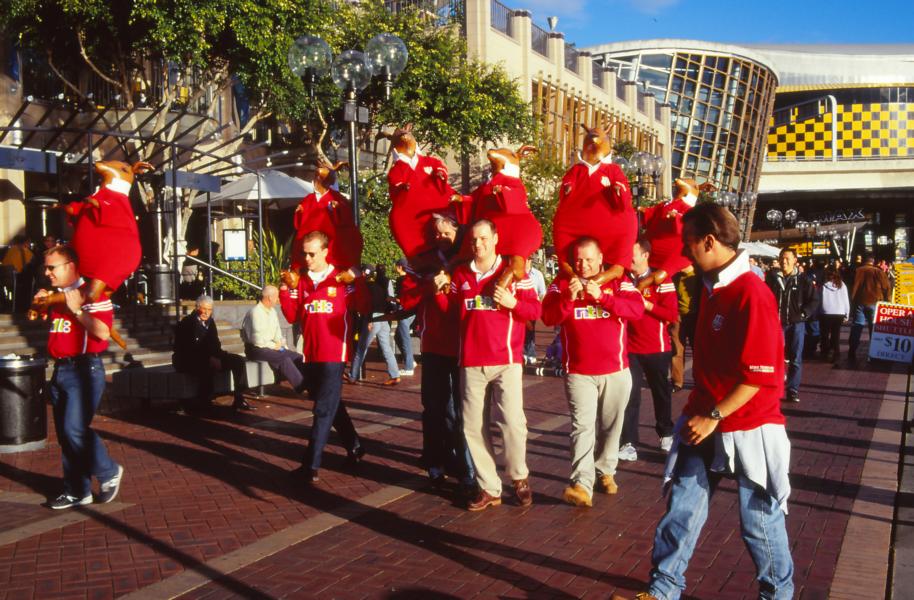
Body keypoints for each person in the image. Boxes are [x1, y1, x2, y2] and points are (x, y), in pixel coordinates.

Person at [631, 202, 793, 600]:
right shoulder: (709, 288)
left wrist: (714, 415)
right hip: (705, 417)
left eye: (688, 244)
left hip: (748, 424)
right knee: (682, 510)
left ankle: (778, 595)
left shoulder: (752, 292)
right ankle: (663, 589)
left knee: (759, 522)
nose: (684, 254)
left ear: (709, 240)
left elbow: (758, 376)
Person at [542, 237, 643, 507]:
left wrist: (604, 298)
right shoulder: (562, 283)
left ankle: (605, 470)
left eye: (589, 259)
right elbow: (548, 316)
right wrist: (568, 297)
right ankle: (581, 483)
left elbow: (636, 310)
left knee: (612, 426)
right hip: (579, 371)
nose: (583, 265)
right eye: (578, 260)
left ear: (601, 259)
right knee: (582, 428)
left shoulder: (619, 282)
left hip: (616, 369)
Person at [447, 219, 541, 511]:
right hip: (471, 361)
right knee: (473, 427)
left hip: (506, 359)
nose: (479, 245)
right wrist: (438, 289)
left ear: (496, 239)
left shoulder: (514, 272)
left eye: (484, 239)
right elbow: (450, 311)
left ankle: (519, 476)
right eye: (474, 240)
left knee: (512, 422)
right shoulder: (461, 274)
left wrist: (513, 303)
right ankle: (489, 486)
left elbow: (536, 310)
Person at [36, 244, 124, 510]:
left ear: (71, 266)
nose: (47, 273)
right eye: (46, 268)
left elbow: (102, 332)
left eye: (52, 268)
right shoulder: (57, 296)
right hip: (61, 369)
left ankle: (108, 471)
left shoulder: (93, 294)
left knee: (75, 429)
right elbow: (55, 327)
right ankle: (77, 489)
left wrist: (77, 310)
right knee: (65, 434)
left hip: (84, 370)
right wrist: (40, 304)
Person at [280, 231, 369, 483]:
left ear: (324, 252)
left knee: (322, 409)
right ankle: (355, 446)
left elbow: (363, 305)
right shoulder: (303, 281)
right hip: (311, 353)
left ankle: (311, 466)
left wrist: (359, 278)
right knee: (330, 404)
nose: (306, 258)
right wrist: (286, 289)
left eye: (312, 253)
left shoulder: (341, 279)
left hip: (334, 353)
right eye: (304, 253)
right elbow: (291, 315)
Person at [398, 214, 476, 498]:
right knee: (434, 407)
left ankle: (465, 466)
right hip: (432, 346)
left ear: (459, 231)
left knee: (460, 412)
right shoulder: (422, 261)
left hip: (463, 345)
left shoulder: (468, 260)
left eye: (446, 231)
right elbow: (406, 299)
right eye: (436, 232)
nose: (440, 236)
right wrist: (428, 288)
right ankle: (435, 460)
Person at [620, 238, 678, 462]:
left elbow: (671, 315)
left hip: (657, 347)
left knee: (661, 393)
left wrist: (644, 304)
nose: (629, 258)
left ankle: (665, 432)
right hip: (630, 348)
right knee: (629, 395)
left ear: (645, 255)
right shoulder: (623, 279)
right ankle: (628, 442)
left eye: (632, 253)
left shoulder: (662, 279)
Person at [174, 294, 254, 412]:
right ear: (197, 308)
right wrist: (210, 358)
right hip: (187, 359)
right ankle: (204, 402)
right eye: (204, 309)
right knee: (206, 367)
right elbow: (188, 349)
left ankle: (239, 397)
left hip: (211, 356)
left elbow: (216, 344)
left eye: (209, 310)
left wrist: (218, 357)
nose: (206, 312)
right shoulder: (187, 323)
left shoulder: (210, 322)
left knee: (238, 361)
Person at [766, 248, 818, 403]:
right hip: (777, 324)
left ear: (795, 260)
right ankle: (775, 387)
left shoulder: (803, 280)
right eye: (782, 258)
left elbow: (814, 300)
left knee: (795, 358)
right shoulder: (773, 278)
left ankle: (792, 390)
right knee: (775, 357)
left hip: (796, 324)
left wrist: (803, 314)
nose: (784, 261)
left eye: (787, 258)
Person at [242, 285, 307, 395]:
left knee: (298, 357)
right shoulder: (255, 313)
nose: (278, 299)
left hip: (271, 347)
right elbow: (257, 340)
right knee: (284, 359)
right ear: (269, 298)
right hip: (256, 349)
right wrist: (275, 346)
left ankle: (311, 384)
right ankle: (301, 387)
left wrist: (282, 345)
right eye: (277, 297)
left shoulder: (272, 311)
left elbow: (277, 332)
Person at [347, 265, 401, 386]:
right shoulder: (380, 285)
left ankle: (353, 375)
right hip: (383, 318)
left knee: (361, 347)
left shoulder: (367, 287)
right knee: (386, 347)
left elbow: (370, 303)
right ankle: (395, 375)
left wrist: (370, 319)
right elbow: (385, 302)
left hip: (373, 317)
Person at [848, 255, 891, 365]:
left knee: (857, 326)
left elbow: (851, 286)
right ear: (873, 262)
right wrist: (888, 301)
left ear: (864, 261)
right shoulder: (878, 272)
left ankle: (852, 351)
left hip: (859, 302)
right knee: (874, 329)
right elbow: (887, 287)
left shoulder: (858, 271)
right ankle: (874, 354)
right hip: (874, 302)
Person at [669, 265, 699, 393]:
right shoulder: (674, 276)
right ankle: (677, 382)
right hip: (677, 316)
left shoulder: (698, 276)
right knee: (677, 349)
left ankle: (699, 381)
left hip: (695, 316)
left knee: (697, 350)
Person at [819, 265, 850, 365]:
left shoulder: (823, 285)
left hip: (825, 312)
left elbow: (819, 300)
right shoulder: (842, 285)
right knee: (835, 335)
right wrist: (847, 314)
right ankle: (836, 353)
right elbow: (846, 300)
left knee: (824, 334)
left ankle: (825, 352)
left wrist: (817, 312)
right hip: (839, 313)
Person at [392, 258, 416, 376]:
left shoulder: (401, 280)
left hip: (404, 310)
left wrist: (390, 299)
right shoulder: (412, 278)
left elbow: (401, 299)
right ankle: (411, 360)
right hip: (412, 311)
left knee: (405, 338)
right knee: (398, 336)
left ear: (400, 267)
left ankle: (408, 367)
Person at [523, 257, 547, 365]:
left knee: (531, 330)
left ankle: (530, 353)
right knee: (520, 330)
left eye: (527, 259)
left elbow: (542, 293)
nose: (525, 261)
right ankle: (523, 353)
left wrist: (539, 307)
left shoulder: (537, 275)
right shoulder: (517, 272)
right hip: (519, 306)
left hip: (532, 308)